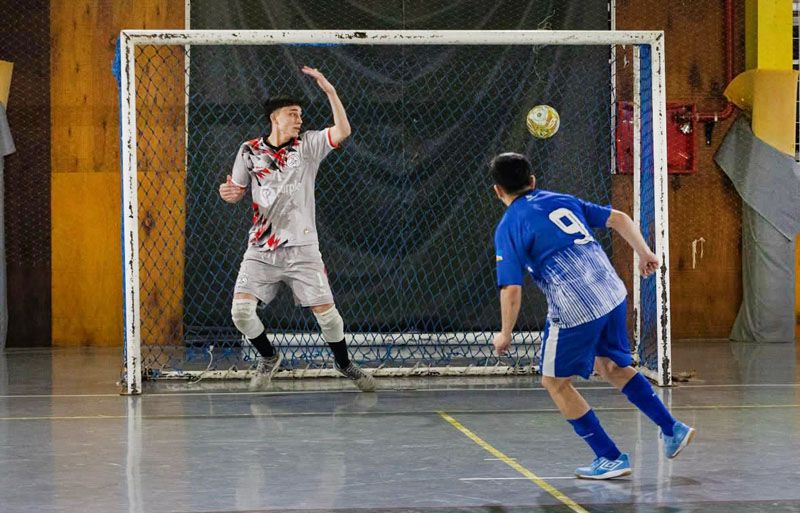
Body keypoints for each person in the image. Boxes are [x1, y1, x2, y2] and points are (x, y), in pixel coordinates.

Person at [490, 152, 694, 479]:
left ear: (498, 190)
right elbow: (620, 218)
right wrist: (644, 253)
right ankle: (672, 428)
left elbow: (511, 290)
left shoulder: (509, 226)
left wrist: (505, 333)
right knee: (611, 366)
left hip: (576, 306)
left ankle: (609, 456)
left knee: (554, 382)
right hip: (612, 292)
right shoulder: (561, 200)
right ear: (532, 181)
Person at [219, 66, 375, 392]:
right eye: (293, 114)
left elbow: (343, 130)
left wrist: (330, 90)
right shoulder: (249, 151)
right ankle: (269, 357)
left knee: (328, 317)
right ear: (275, 118)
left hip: (303, 249)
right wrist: (228, 193)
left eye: (301, 115)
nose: (299, 120)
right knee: (241, 313)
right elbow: (235, 190)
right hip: (261, 249)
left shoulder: (308, 146)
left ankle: (344, 364)